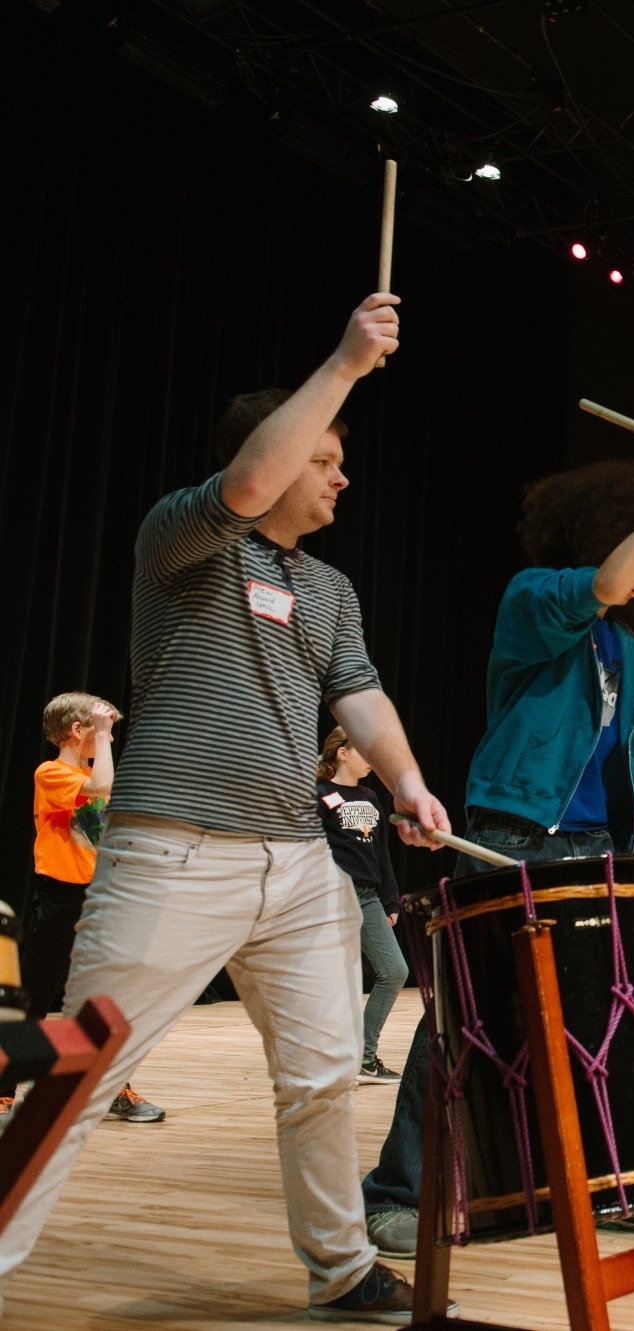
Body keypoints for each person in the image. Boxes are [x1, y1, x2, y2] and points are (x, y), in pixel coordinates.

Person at [0, 293, 463, 1324]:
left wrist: (409, 780)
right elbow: (249, 483)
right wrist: (344, 361)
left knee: (322, 1075)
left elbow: (360, 692)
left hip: (297, 865)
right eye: (325, 457)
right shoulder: (184, 537)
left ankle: (340, 1268)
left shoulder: (331, 589)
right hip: (174, 853)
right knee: (79, 1063)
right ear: (277, 449)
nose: (341, 475)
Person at [361, 435, 634, 1258]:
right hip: (511, 837)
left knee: (619, 1020)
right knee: (461, 1013)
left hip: (597, 849)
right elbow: (608, 582)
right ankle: (397, 1192)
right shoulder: (535, 599)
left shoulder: (629, 650)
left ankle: (628, 1185)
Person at [1, 694, 164, 1126]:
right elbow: (101, 788)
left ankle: (110, 1088)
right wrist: (105, 736)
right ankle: (2, 1093)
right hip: (61, 898)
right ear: (77, 731)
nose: (103, 739)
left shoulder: (92, 770)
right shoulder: (51, 772)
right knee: (34, 998)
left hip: (101, 897)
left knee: (108, 999)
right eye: (96, 730)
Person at [315, 727, 409, 1081]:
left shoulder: (370, 796)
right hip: (333, 896)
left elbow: (381, 855)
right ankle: (328, 1061)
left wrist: (390, 900)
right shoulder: (320, 795)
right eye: (363, 752)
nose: (371, 760)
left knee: (395, 971)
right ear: (342, 753)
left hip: (369, 897)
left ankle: (364, 1057)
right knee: (340, 982)